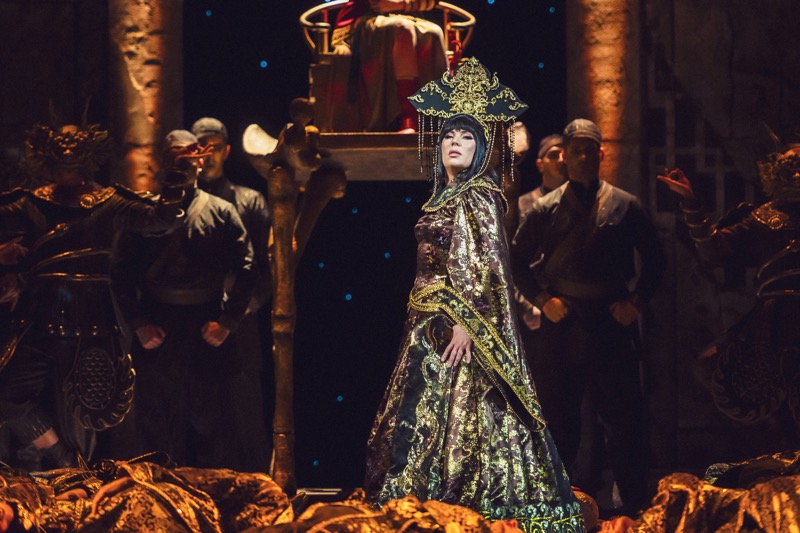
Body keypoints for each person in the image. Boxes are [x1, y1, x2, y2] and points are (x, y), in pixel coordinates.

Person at [363, 58, 586, 532]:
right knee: (423, 413)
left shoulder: (478, 194)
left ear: (482, 147)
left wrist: (469, 322)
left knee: (466, 408)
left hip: (460, 322)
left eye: (467, 137)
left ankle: (466, 498)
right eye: (449, 135)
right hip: (428, 321)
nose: (455, 142)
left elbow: (485, 263)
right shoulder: (444, 195)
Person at [0, 120, 185, 471]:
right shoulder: (28, 203)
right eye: (61, 145)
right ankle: (67, 464)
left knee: (82, 412)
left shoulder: (109, 202)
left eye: (75, 145)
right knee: (9, 397)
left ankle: (76, 475)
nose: (68, 150)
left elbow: (163, 219)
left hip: (91, 325)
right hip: (36, 322)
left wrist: (179, 174)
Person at [510, 118, 666, 515]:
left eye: (589, 150)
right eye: (575, 150)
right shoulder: (545, 208)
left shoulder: (625, 205)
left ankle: (634, 506)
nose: (582, 156)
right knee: (558, 418)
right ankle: (557, 505)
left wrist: (636, 302)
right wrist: (543, 300)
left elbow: (656, 259)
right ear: (564, 155)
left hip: (611, 320)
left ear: (601, 153)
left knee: (624, 418)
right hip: (563, 322)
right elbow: (515, 261)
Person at [110, 130, 256, 468]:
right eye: (176, 159)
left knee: (212, 426)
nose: (184, 167)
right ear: (164, 163)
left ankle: (210, 495)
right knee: (155, 427)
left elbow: (248, 268)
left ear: (200, 163)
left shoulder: (222, 211)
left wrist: (228, 322)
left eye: (189, 160)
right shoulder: (143, 212)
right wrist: (138, 323)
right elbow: (119, 272)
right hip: (157, 324)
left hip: (206, 325)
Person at [657, 145, 800, 444]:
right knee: (715, 366)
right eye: (791, 167)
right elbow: (714, 250)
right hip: (774, 319)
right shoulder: (764, 216)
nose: (796, 173)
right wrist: (690, 202)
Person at [190, 117, 272, 472]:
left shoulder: (249, 200)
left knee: (244, 415)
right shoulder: (182, 203)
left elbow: (269, 268)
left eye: (213, 147)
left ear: (226, 151)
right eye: (199, 147)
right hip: (194, 322)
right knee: (202, 417)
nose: (206, 155)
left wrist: (237, 315)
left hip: (239, 327)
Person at [331, 0, 448, 132]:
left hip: (408, 15)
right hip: (369, 17)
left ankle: (438, 117)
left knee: (435, 32)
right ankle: (407, 116)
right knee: (402, 28)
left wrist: (403, 4)